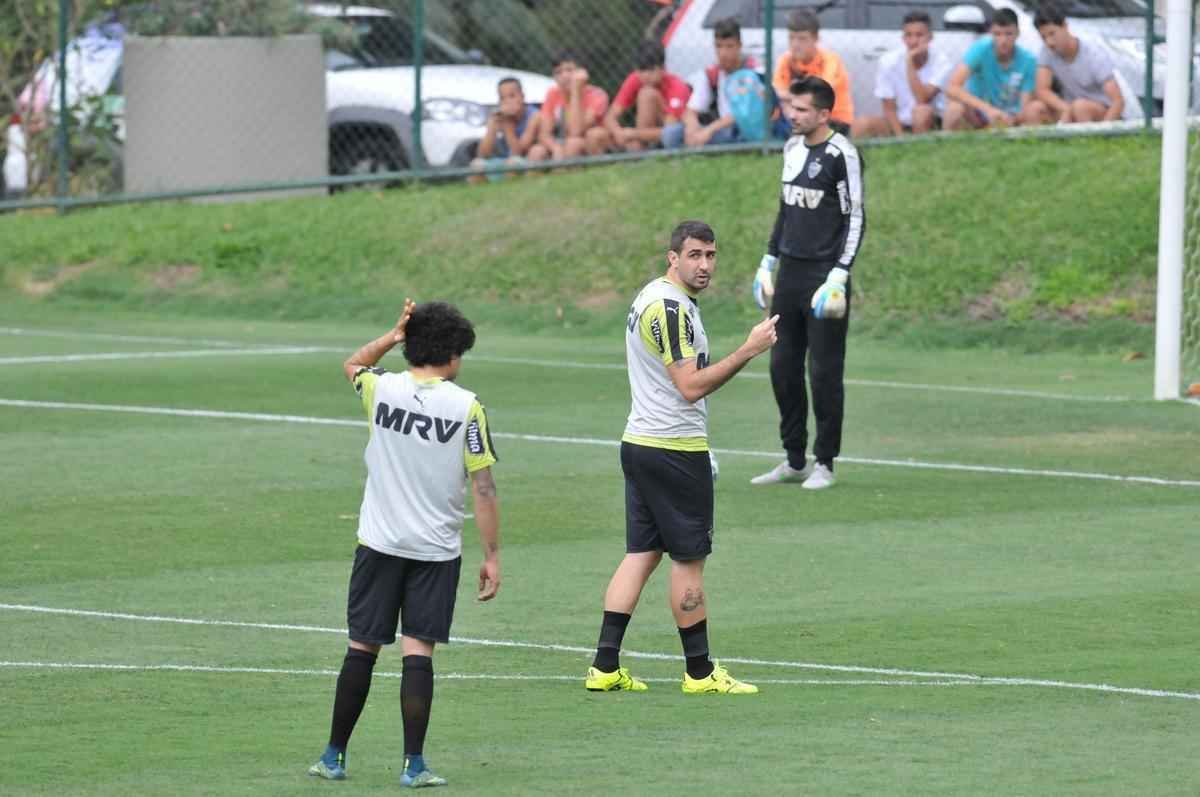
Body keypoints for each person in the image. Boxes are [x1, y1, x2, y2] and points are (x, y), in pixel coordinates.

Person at [309, 300, 501, 788]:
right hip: (435, 551)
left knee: (362, 647)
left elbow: (353, 364)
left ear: (414, 345)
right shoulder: (467, 407)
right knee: (418, 652)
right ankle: (413, 765)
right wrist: (492, 555)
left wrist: (393, 336)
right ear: (454, 355)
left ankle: (334, 756)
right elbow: (483, 488)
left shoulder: (381, 388)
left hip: (379, 543)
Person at [586, 219, 778, 695]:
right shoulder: (671, 309)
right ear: (672, 257)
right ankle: (699, 672)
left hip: (642, 443)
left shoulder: (653, 296)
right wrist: (749, 350)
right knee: (689, 561)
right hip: (673, 449)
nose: (705, 265)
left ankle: (604, 666)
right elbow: (690, 387)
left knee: (641, 554)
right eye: (694, 255)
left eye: (711, 256)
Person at [751, 76, 865, 491]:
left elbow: (855, 218)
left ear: (822, 113)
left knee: (824, 372)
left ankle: (825, 462)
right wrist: (768, 260)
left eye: (800, 110)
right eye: (790, 107)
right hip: (790, 276)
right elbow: (785, 209)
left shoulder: (841, 154)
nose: (791, 115)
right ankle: (794, 458)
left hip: (824, 278)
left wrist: (839, 274)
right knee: (782, 367)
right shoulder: (791, 147)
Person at [853, 10, 954, 137]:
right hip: (899, 123)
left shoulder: (941, 61)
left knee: (921, 112)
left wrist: (909, 62)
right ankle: (855, 156)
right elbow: (889, 107)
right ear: (903, 38)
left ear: (930, 38)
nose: (913, 41)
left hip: (930, 122)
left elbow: (922, 99)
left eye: (919, 35)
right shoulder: (889, 61)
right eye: (909, 35)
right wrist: (900, 137)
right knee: (861, 124)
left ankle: (922, 151)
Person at [943, 9, 1045, 129]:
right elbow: (952, 87)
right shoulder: (980, 49)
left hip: (1010, 117)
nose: (1003, 40)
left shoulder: (1028, 60)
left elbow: (1025, 104)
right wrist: (988, 109)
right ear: (991, 33)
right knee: (954, 109)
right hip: (978, 113)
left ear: (1018, 33)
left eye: (1008, 33)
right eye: (997, 34)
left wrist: (1009, 119)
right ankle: (950, 146)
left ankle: (1029, 145)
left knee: (1037, 107)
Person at [676, 17, 768, 148]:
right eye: (719, 46)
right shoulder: (711, 74)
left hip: (743, 127)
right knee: (672, 134)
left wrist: (709, 130)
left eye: (729, 46)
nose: (723, 53)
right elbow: (691, 110)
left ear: (739, 46)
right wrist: (692, 127)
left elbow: (743, 114)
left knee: (730, 134)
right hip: (719, 127)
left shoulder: (754, 72)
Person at [1034, 4, 1124, 123]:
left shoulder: (1093, 54)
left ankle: (1092, 140)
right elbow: (1042, 90)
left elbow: (1118, 101)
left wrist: (1104, 129)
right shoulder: (1047, 51)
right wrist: (1066, 108)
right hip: (1071, 108)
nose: (1049, 42)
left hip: (1102, 112)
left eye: (1052, 33)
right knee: (1035, 109)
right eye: (1043, 37)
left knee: (1080, 107)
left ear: (1065, 26)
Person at [771, 10, 855, 135]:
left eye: (802, 39)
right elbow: (776, 92)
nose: (795, 44)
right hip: (802, 116)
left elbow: (819, 95)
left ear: (815, 38)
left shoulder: (830, 60)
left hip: (834, 121)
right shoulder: (786, 60)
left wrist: (790, 95)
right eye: (791, 38)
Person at [604, 39, 692, 152]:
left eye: (650, 70)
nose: (645, 75)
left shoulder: (677, 86)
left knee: (647, 94)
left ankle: (642, 149)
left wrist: (633, 134)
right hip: (644, 134)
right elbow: (610, 116)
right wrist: (619, 133)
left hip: (675, 138)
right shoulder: (635, 78)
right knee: (597, 135)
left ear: (662, 68)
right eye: (641, 70)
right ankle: (640, 150)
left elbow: (671, 130)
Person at [470, 77, 548, 183]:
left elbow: (518, 152)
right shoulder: (499, 117)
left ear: (522, 97)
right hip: (502, 160)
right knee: (476, 164)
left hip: (525, 162)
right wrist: (492, 127)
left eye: (512, 96)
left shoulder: (534, 116)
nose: (507, 101)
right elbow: (483, 154)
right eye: (502, 98)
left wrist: (507, 126)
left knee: (513, 163)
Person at [539, 50, 612, 159]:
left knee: (575, 143)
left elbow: (576, 131)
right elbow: (544, 134)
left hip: (592, 142)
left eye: (569, 70)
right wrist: (555, 148)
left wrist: (575, 91)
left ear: (582, 73)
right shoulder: (552, 94)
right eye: (558, 72)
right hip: (565, 141)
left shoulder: (597, 94)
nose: (564, 75)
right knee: (537, 151)